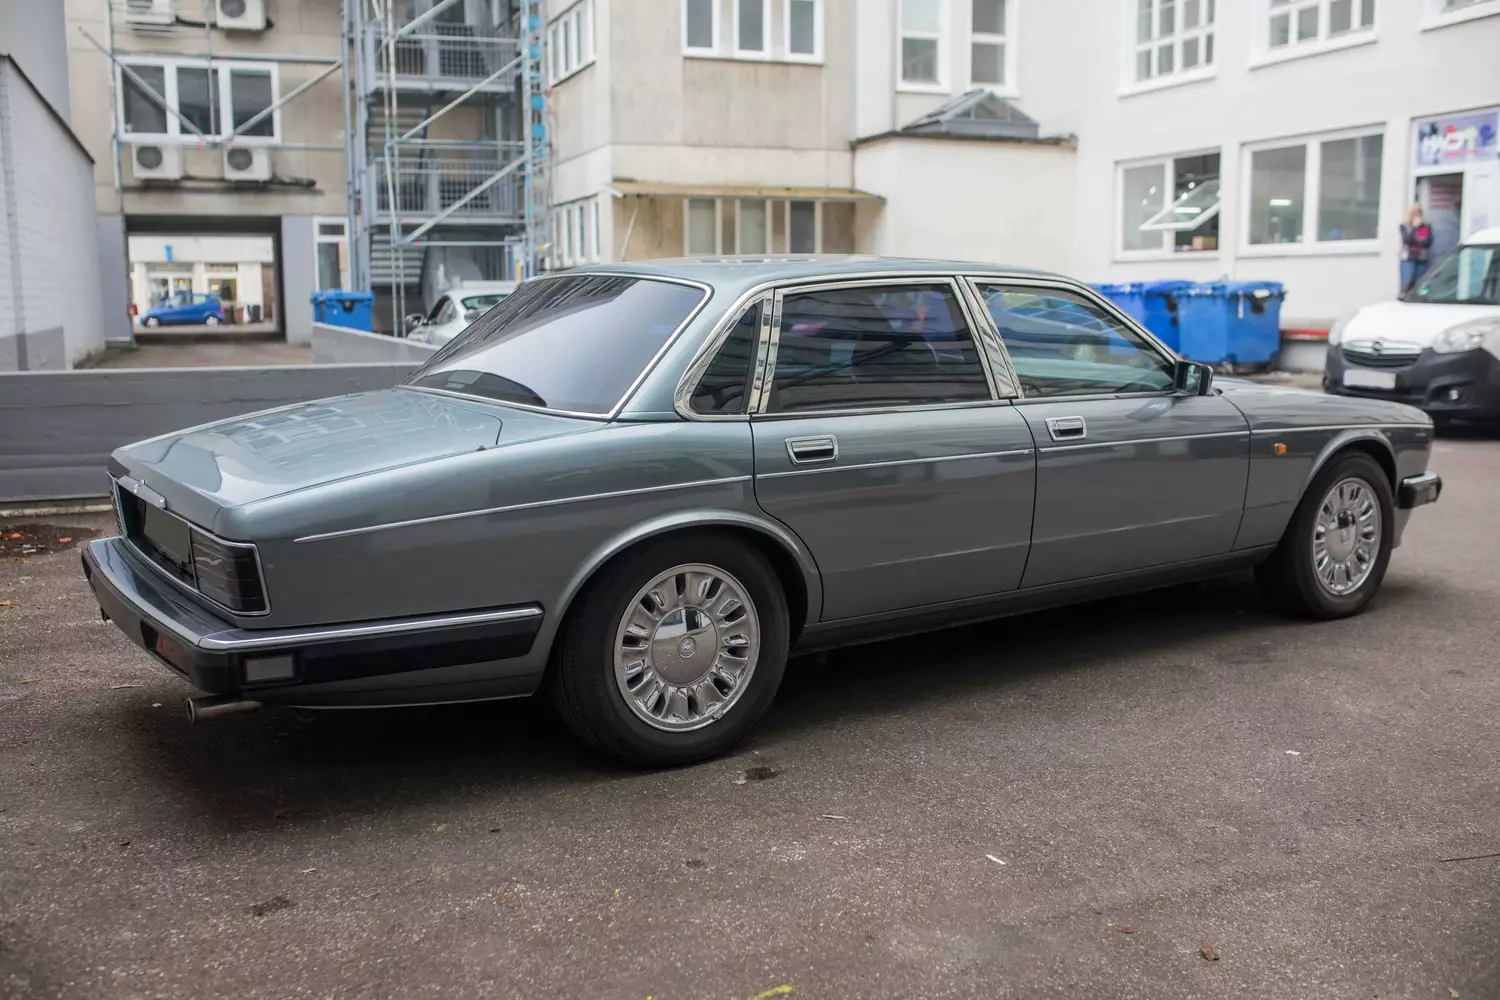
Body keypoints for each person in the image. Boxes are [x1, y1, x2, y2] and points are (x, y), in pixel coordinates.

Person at [1399, 204, 1433, 293]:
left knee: (1421, 282)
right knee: (1407, 281)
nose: (1417, 215)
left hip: (1422, 258)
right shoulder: (1404, 226)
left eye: (1419, 213)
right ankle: (1404, 296)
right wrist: (1414, 228)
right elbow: (1407, 240)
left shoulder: (1425, 227)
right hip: (1408, 258)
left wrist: (1418, 237)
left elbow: (1426, 243)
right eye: (1414, 213)